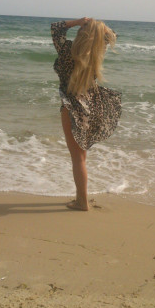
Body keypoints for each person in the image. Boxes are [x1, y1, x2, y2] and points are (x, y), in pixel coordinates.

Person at [51, 17, 122, 211]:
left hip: (72, 107)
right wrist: (98, 27)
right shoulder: (96, 54)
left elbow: (56, 28)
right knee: (81, 157)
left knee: (78, 158)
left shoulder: (67, 51)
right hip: (91, 107)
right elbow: (113, 35)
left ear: (81, 33)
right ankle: (81, 197)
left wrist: (77, 22)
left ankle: (82, 201)